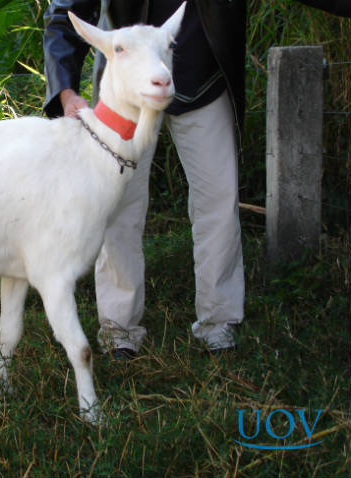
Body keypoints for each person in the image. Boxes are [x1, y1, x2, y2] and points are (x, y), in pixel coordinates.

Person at [42, 0, 351, 358]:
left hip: (203, 79)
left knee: (218, 202)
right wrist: (65, 92)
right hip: (127, 87)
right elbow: (66, 10)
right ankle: (119, 330)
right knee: (119, 210)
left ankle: (218, 323)